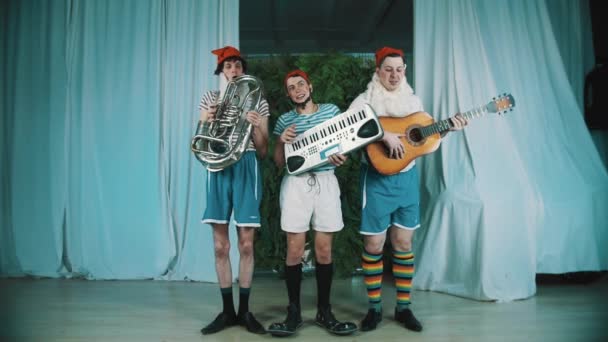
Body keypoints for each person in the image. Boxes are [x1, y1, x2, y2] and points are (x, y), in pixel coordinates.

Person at [348, 46, 468, 332]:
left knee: (403, 244)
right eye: (388, 69)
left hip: (406, 181)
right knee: (374, 245)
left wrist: (448, 127)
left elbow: (424, 137)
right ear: (377, 71)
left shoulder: (413, 101)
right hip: (375, 181)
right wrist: (382, 133)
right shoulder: (364, 100)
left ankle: (403, 308)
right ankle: (374, 309)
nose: (394, 75)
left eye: (399, 69)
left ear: (405, 71)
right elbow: (349, 130)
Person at [267, 70, 358, 337]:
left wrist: (344, 157)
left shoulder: (331, 111)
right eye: (292, 87)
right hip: (295, 184)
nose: (297, 90)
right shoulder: (285, 120)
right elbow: (277, 162)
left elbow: (345, 145)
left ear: (310, 86)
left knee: (324, 251)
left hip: (326, 180)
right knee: (294, 251)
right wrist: (280, 143)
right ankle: (293, 313)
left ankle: (324, 311)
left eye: (301, 84)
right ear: (288, 94)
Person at [197, 46, 269, 335]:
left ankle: (245, 311)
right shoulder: (210, 98)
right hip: (217, 167)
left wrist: (255, 128)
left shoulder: (258, 100)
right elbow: (200, 140)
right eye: (228, 66)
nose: (234, 70)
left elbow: (263, 150)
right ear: (221, 72)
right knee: (220, 246)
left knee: (246, 244)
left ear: (244, 70)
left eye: (238, 65)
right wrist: (207, 120)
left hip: (246, 164)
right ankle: (227, 312)